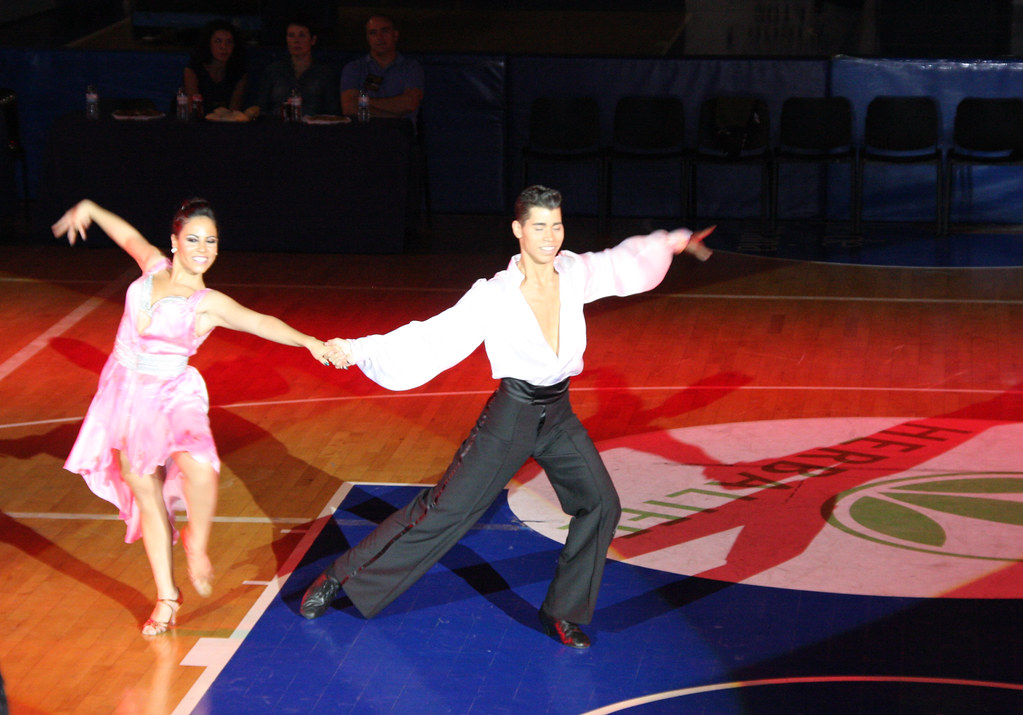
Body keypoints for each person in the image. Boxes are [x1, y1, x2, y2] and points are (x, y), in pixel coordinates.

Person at [301, 185, 714, 648]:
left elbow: (620, 263)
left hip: (558, 414)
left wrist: (670, 242)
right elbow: (431, 338)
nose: (550, 236)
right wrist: (355, 350)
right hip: (512, 415)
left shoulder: (574, 271)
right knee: (445, 511)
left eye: (557, 226)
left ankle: (561, 612)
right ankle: (338, 577)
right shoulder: (494, 295)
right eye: (539, 226)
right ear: (518, 230)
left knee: (601, 504)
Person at [54, 198, 333, 636]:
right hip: (125, 396)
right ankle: (167, 596)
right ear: (174, 242)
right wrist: (88, 208)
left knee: (201, 469)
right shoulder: (151, 267)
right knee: (147, 497)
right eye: (193, 239)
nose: (202, 248)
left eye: (211, 241)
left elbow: (260, 322)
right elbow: (126, 235)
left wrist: (310, 342)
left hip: (172, 393)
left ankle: (196, 544)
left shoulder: (207, 302)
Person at [340, 14, 424, 121]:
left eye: (385, 31)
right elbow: (349, 108)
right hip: (364, 134)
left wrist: (364, 102)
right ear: (367, 38)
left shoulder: (411, 68)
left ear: (395, 35)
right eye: (373, 33)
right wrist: (394, 115)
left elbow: (409, 104)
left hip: (400, 134)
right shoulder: (354, 68)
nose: (379, 38)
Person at [257, 17, 340, 118]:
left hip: (314, 129)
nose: (296, 41)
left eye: (302, 35)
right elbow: (261, 109)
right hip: (278, 128)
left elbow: (333, 113)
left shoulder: (325, 73)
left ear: (313, 40)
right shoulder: (273, 71)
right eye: (291, 36)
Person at [183, 19, 248, 112]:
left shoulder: (239, 73)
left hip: (227, 123)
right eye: (218, 41)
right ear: (208, 43)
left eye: (229, 42)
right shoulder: (194, 70)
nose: (223, 47)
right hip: (198, 122)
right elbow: (192, 109)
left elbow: (235, 111)